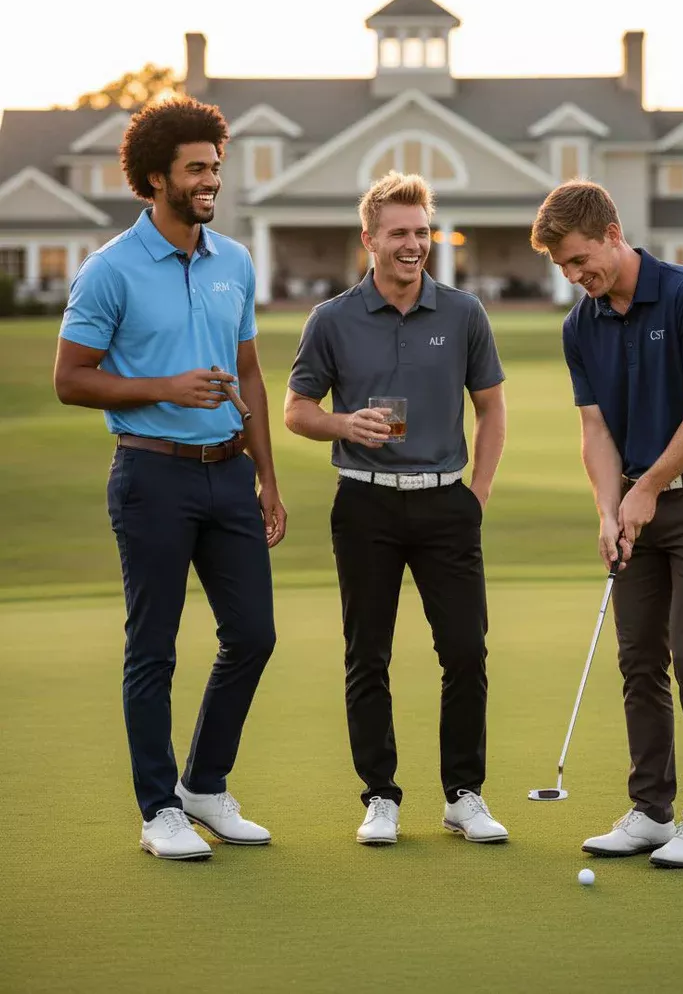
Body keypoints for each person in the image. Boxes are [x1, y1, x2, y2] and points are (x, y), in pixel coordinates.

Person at [54, 98, 286, 861]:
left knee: (253, 634)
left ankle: (204, 787)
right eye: (196, 169)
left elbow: (250, 373)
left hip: (228, 475)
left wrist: (268, 478)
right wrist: (164, 387)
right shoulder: (110, 269)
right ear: (156, 178)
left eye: (215, 166)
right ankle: (159, 810)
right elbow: (70, 378)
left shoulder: (235, 261)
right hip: (150, 475)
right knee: (153, 648)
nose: (211, 180)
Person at [284, 172, 508, 845]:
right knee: (367, 655)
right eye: (399, 233)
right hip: (365, 505)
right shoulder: (332, 319)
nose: (413, 244)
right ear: (370, 239)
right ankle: (380, 797)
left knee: (465, 651)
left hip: (446, 504)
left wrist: (477, 494)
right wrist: (343, 424)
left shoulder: (464, 313)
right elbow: (296, 410)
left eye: (422, 232)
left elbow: (491, 407)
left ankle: (464, 795)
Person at [531, 181, 683, 868]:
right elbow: (595, 428)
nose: (574, 275)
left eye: (579, 259)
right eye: (562, 266)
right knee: (639, 660)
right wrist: (608, 508)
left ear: (612, 233)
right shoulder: (580, 325)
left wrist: (648, 486)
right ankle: (652, 812)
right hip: (633, 509)